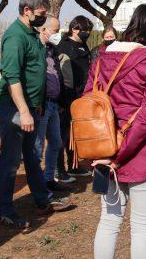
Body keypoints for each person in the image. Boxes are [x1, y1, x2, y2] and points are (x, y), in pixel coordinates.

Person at [89, 4, 146, 259]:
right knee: (142, 228)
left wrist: (107, 152)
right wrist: (121, 153)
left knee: (109, 221)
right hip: (142, 153)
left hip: (104, 149)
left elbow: (88, 103)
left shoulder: (103, 57)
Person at [0, 0, 71, 229]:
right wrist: (24, 111)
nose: (42, 17)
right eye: (40, 13)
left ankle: (42, 199)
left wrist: (36, 106)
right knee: (9, 162)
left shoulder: (32, 34)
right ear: (26, 11)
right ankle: (4, 210)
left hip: (31, 109)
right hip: (14, 109)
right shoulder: (15, 37)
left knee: (32, 156)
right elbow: (13, 76)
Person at [55, 16, 94, 183]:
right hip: (65, 100)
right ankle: (59, 170)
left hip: (80, 99)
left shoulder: (83, 46)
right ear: (74, 29)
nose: (87, 34)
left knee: (75, 134)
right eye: (85, 31)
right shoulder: (63, 47)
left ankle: (74, 165)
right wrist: (67, 98)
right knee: (61, 136)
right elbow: (63, 75)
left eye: (89, 31)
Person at [33, 16, 70, 192]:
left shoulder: (51, 49)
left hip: (54, 104)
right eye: (56, 30)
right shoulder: (35, 48)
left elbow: (57, 75)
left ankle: (49, 179)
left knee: (55, 142)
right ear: (44, 30)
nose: (58, 34)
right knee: (38, 147)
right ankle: (38, 186)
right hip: (42, 105)